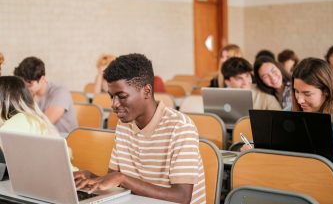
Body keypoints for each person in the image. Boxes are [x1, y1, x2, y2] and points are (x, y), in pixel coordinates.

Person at [74, 54, 206, 203]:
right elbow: (114, 178)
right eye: (112, 97)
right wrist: (91, 178)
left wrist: (122, 178)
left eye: (122, 96)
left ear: (147, 91)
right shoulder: (123, 125)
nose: (114, 104)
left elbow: (182, 197)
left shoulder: (180, 127)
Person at [14, 56, 77, 134]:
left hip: (66, 140)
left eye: (30, 84)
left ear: (42, 79)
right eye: (24, 84)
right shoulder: (27, 93)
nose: (26, 88)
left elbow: (44, 124)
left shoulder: (61, 92)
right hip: (41, 139)